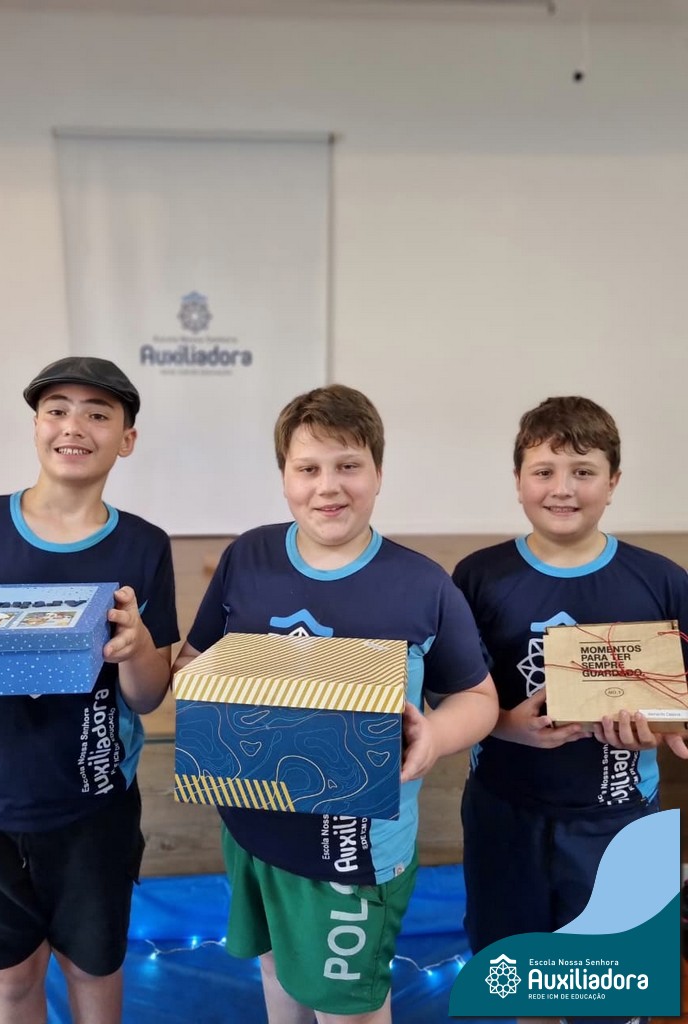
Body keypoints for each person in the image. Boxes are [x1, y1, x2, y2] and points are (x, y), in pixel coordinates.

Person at [175, 383, 498, 1024]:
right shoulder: (246, 558)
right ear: (284, 477)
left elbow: (478, 697)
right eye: (308, 469)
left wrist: (434, 736)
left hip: (355, 846)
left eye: (348, 465)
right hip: (255, 827)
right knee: (279, 972)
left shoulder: (421, 583)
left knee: (346, 1008)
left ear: (378, 473)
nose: (328, 487)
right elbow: (193, 660)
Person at [0, 356, 179, 1024]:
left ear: (126, 439)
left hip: (94, 803)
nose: (73, 426)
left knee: (95, 971)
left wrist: (135, 647)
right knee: (10, 979)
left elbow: (148, 696)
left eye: (98, 414)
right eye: (56, 409)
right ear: (36, 425)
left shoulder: (144, 545)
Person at [452, 396, 688, 1020]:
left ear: (613, 481)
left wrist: (663, 728)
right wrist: (508, 727)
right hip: (506, 814)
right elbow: (447, 693)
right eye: (544, 471)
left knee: (612, 1001)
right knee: (524, 990)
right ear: (518, 481)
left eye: (583, 471)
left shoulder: (662, 581)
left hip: (622, 821)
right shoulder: (478, 578)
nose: (563, 488)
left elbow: (682, 700)